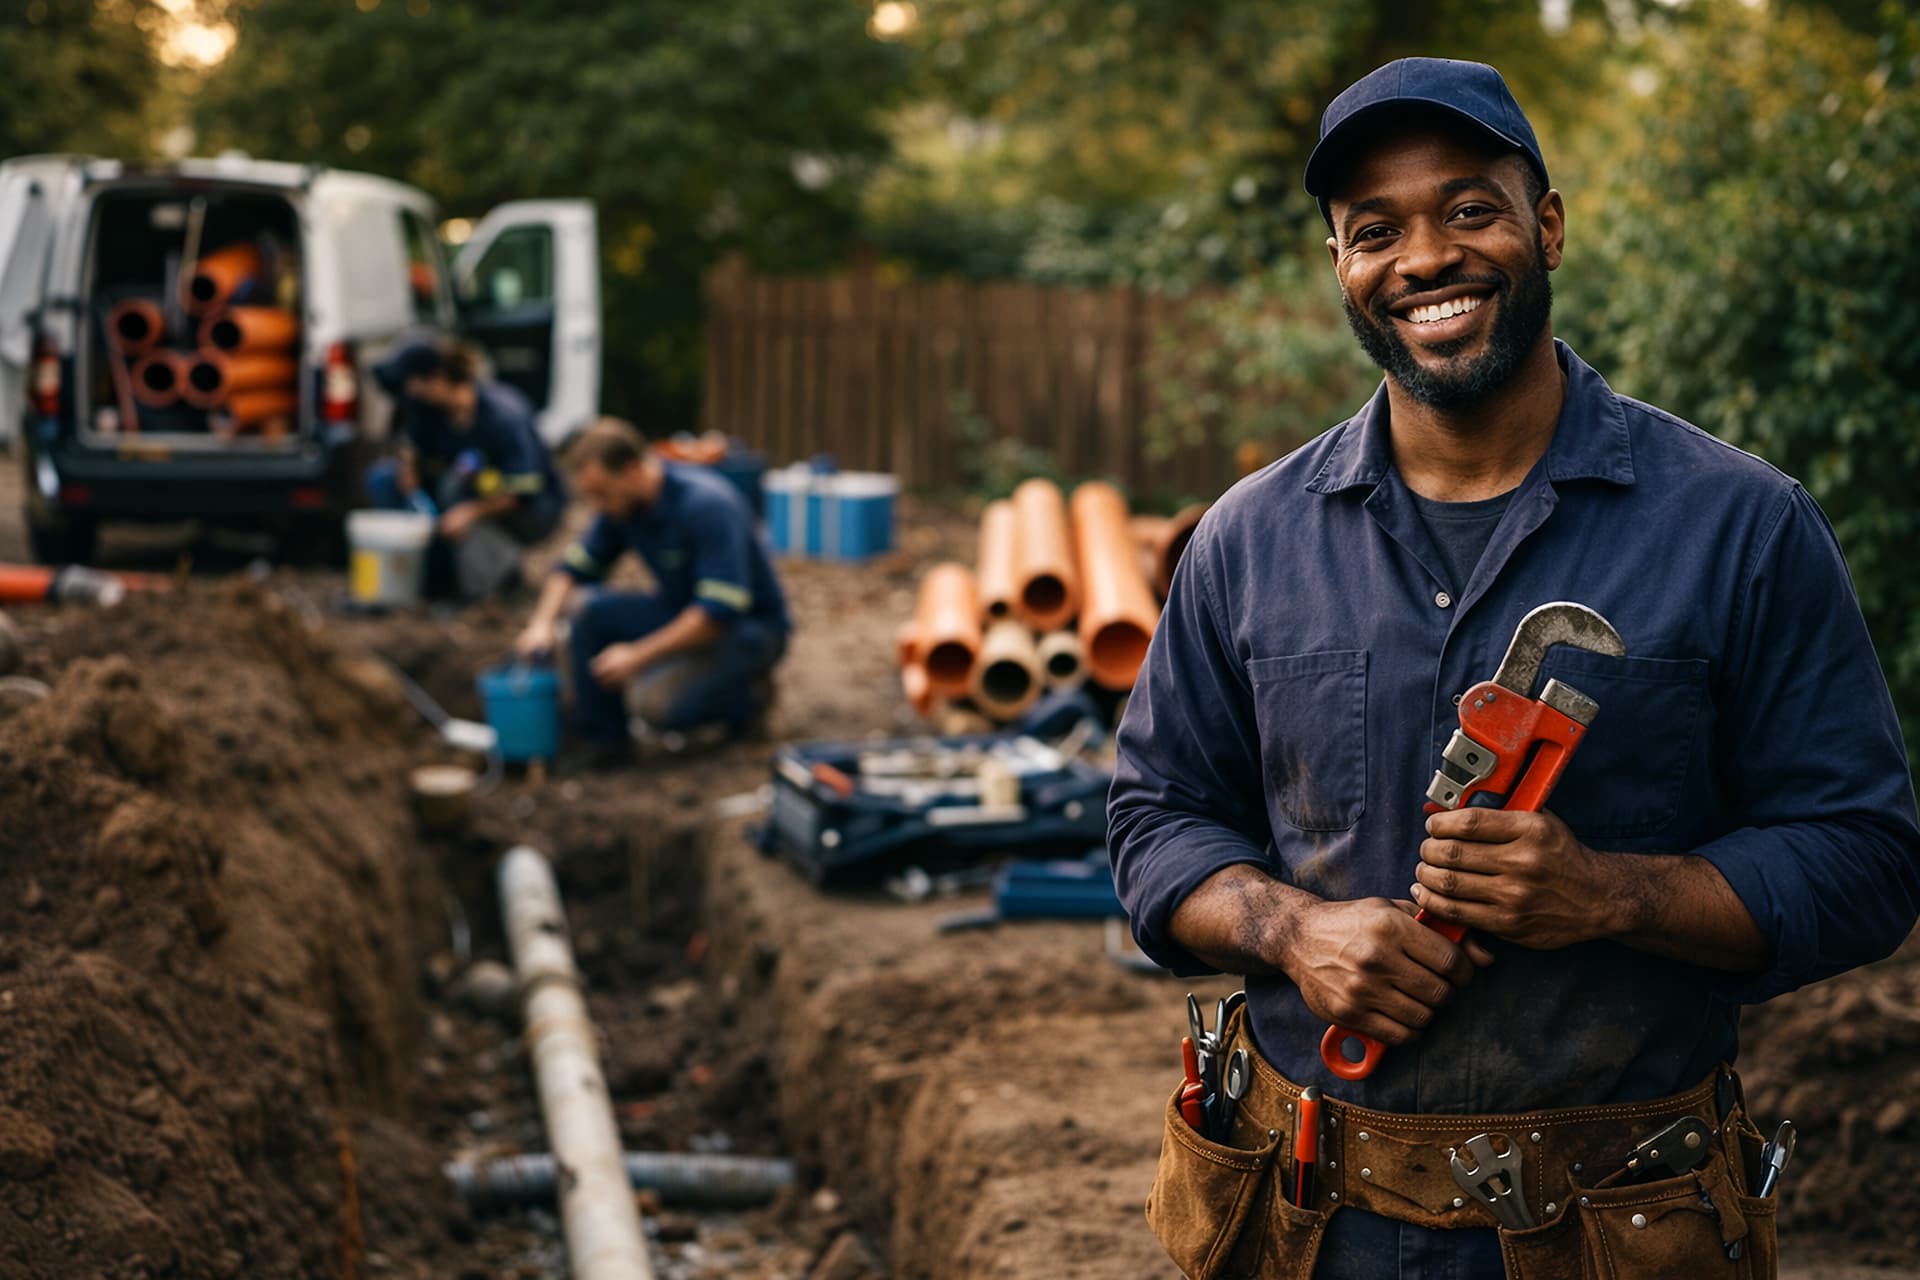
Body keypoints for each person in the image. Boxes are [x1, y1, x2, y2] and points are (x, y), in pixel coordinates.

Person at [1108, 57, 1920, 1279]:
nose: (1426, 256)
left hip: (1621, 1226)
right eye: (1374, 229)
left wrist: (1610, 893)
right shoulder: (1248, 538)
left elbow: (1865, 855)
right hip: (1308, 1220)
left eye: (1469, 209)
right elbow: (1152, 818)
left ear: (1545, 226)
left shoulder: (1741, 524)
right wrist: (1289, 926)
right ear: (1342, 266)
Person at [515, 417, 789, 756]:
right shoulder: (622, 507)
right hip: (682, 608)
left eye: (601, 493)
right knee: (585, 611)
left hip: (747, 628)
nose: (597, 506)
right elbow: (572, 569)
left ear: (631, 471)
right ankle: (605, 742)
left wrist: (636, 657)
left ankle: (749, 698)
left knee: (654, 703)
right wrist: (540, 625)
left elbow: (716, 614)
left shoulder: (705, 506)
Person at [365, 336, 564, 598]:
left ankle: (498, 577)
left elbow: (525, 489)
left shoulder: (504, 417)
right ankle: (418, 574)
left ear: (436, 380)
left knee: (458, 486)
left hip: (531, 507)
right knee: (384, 479)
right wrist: (409, 463)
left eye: (412, 384)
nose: (408, 393)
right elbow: (412, 442)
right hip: (466, 487)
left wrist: (470, 512)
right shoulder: (431, 411)